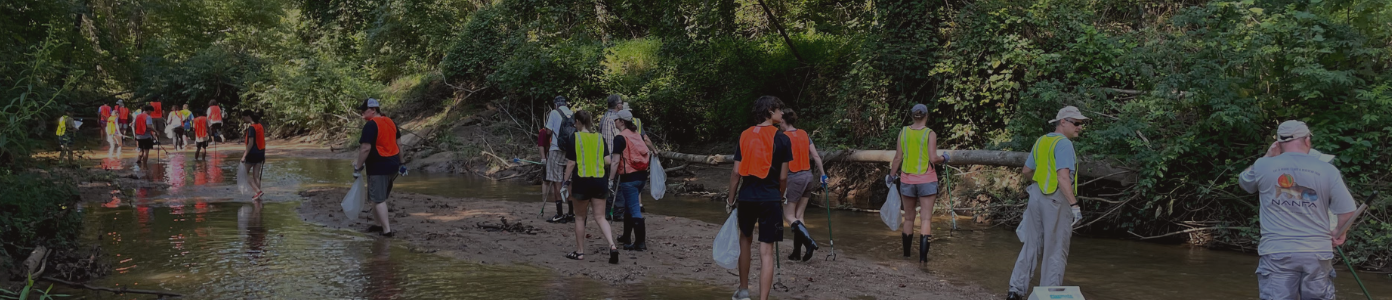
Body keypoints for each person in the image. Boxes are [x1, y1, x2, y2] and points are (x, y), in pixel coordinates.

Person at [1238, 120, 1357, 300]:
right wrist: (1340, 232)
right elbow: (1347, 211)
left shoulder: (1263, 165)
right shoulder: (1328, 170)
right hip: (1317, 252)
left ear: (1278, 143)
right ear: (1307, 140)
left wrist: (1267, 157)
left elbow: (1244, 183)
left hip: (1277, 251)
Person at [1005, 106, 1088, 300]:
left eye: (1081, 124)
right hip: (1057, 201)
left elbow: (1026, 171)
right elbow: (1063, 177)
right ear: (1063, 122)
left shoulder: (1042, 140)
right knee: (1056, 250)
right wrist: (1074, 205)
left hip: (1036, 198)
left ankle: (1015, 291)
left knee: (1031, 246)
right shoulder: (1064, 144)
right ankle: (1050, 295)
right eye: (1076, 123)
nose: (1079, 127)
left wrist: (1041, 183)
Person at [726, 96, 791, 300]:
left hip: (746, 197)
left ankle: (744, 290)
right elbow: (783, 177)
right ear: (770, 111)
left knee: (745, 241)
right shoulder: (782, 138)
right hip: (770, 198)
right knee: (766, 251)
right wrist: (779, 197)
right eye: (780, 110)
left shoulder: (744, 135)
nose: (782, 114)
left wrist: (730, 200)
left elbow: (736, 173)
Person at [887, 104, 948, 263]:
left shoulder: (903, 132)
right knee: (926, 219)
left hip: (907, 180)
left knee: (908, 219)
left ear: (912, 116)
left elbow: (898, 158)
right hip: (927, 180)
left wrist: (891, 175)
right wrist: (945, 158)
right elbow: (934, 158)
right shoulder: (930, 134)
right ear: (926, 116)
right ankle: (922, 260)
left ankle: (906, 256)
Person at [560, 110, 620, 264]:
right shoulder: (600, 138)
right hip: (600, 181)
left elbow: (571, 163)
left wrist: (565, 183)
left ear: (578, 122)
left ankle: (579, 252)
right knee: (600, 217)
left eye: (575, 122)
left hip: (582, 181)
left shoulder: (575, 137)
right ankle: (612, 245)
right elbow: (607, 161)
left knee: (580, 217)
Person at [778, 108, 828, 262]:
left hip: (793, 178)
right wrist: (822, 174)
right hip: (808, 176)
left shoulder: (782, 137)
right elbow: (815, 155)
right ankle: (796, 253)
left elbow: (779, 161)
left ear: (782, 121)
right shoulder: (804, 134)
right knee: (799, 216)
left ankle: (809, 243)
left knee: (789, 216)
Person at [353, 98, 402, 237]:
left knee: (379, 199)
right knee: (376, 196)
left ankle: (386, 231)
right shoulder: (390, 122)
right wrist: (402, 162)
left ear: (373, 110)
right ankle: (377, 224)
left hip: (378, 166)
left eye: (364, 110)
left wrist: (358, 166)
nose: (362, 112)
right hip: (393, 164)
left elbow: (365, 148)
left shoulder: (371, 125)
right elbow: (399, 144)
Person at [611, 110, 652, 251]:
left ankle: (640, 243)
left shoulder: (620, 138)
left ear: (622, 121)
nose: (614, 121)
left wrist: (610, 179)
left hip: (629, 179)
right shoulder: (637, 135)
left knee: (634, 209)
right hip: (642, 176)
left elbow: (615, 161)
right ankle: (626, 236)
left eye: (616, 119)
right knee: (629, 206)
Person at [544, 96, 577, 223]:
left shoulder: (554, 112)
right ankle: (571, 213)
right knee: (569, 181)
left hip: (556, 149)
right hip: (570, 150)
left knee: (556, 181)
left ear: (556, 104)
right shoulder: (572, 114)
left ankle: (559, 214)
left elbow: (548, 132)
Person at [600, 94, 625, 221]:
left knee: (610, 184)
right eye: (621, 102)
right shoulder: (612, 119)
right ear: (617, 105)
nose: (622, 104)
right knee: (615, 184)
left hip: (608, 157)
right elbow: (614, 139)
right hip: (612, 157)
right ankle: (616, 212)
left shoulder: (606, 117)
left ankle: (609, 211)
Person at [240, 112, 267, 201]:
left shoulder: (251, 128)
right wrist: (264, 155)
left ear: (248, 116)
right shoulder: (260, 126)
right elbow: (262, 140)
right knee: (256, 175)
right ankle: (257, 194)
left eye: (244, 117)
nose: (243, 119)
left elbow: (250, 143)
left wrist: (244, 156)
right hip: (260, 153)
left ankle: (257, 191)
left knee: (244, 174)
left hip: (252, 154)